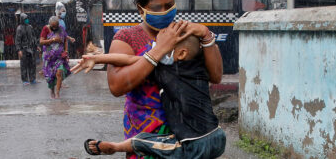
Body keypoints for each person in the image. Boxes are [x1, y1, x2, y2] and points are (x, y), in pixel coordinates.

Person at [76, 0, 222, 158]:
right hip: (146, 138)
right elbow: (117, 86)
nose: (164, 12)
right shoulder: (127, 37)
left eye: (169, 5)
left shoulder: (184, 35)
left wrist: (206, 36)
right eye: (156, 7)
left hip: (189, 137)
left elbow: (215, 76)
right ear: (140, 9)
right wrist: (159, 50)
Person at [72, 33, 226, 158]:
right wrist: (205, 34)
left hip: (196, 143)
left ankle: (115, 147)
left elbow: (130, 60)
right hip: (217, 135)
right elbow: (213, 51)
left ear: (181, 53)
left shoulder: (165, 69)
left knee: (145, 141)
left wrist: (97, 59)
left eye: (163, 48)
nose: (157, 51)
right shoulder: (199, 67)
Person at [39, 16, 71, 99]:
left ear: (58, 24)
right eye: (53, 26)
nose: (54, 28)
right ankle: (52, 91)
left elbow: (65, 40)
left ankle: (57, 93)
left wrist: (66, 51)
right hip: (48, 57)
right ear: (50, 25)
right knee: (50, 76)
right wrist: (52, 40)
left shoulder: (61, 29)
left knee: (59, 72)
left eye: (56, 26)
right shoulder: (45, 29)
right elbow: (41, 41)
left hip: (59, 56)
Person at [15, 13, 40, 85]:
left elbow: (34, 37)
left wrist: (37, 45)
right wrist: (19, 50)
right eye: (25, 19)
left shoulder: (30, 27)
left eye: (27, 19)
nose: (27, 20)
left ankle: (33, 79)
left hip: (31, 49)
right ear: (22, 20)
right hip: (23, 49)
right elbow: (17, 40)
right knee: (24, 65)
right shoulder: (19, 28)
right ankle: (25, 80)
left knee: (32, 64)